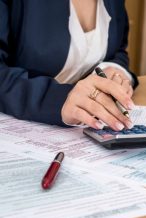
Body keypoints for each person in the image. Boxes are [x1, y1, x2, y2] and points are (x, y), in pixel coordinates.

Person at [0, 0, 138, 131]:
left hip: (82, 132)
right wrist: (61, 99)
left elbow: (118, 49)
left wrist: (115, 72)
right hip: (22, 126)